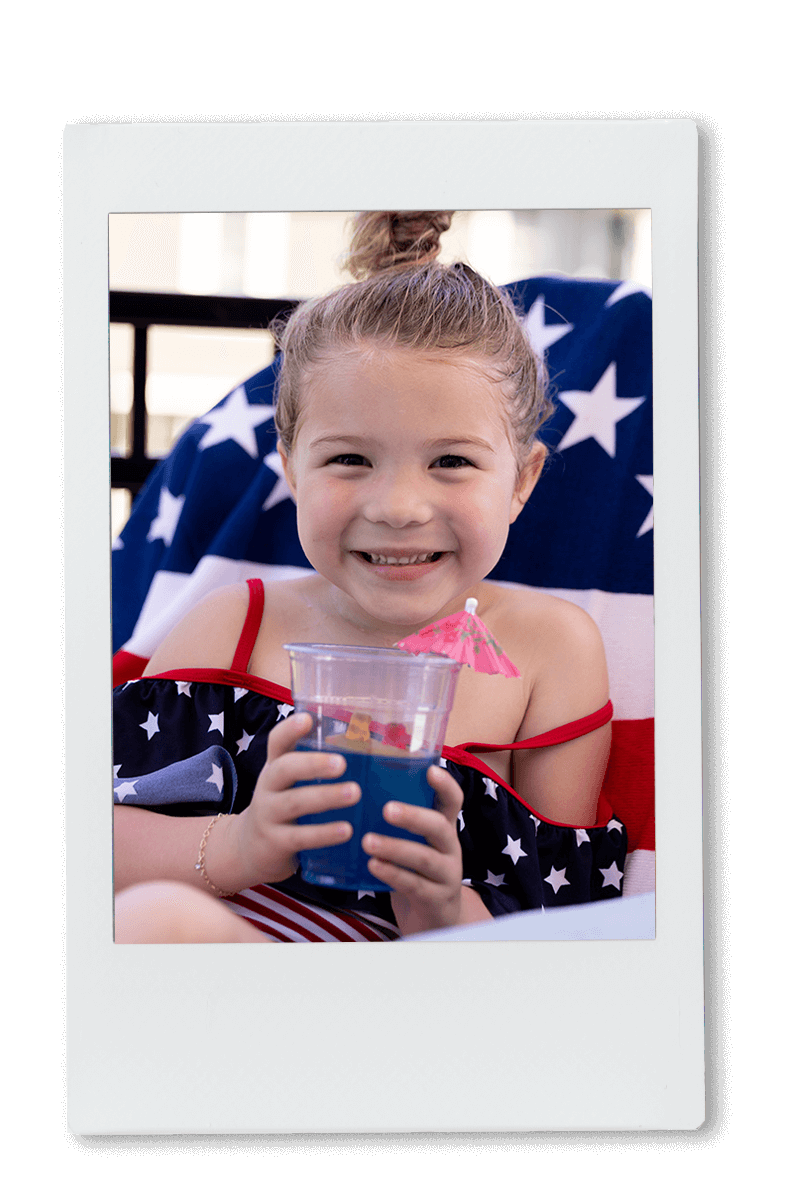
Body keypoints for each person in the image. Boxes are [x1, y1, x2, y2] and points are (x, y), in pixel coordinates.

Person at [113, 211, 626, 943]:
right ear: (291, 469)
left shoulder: (550, 649)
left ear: (522, 479)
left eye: (451, 461)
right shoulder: (233, 622)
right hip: (214, 961)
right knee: (154, 920)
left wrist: (438, 906)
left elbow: (562, 923)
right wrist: (240, 844)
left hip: (419, 1000)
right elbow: (102, 847)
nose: (397, 508)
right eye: (349, 459)